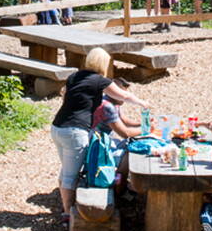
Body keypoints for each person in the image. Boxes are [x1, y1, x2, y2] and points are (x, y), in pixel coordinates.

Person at [50, 46, 147, 215]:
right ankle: (68, 212)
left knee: (66, 170)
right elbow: (123, 96)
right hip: (75, 131)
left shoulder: (74, 76)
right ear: (104, 63)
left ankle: (66, 206)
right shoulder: (100, 80)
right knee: (70, 176)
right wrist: (142, 103)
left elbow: (66, 98)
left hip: (57, 126)